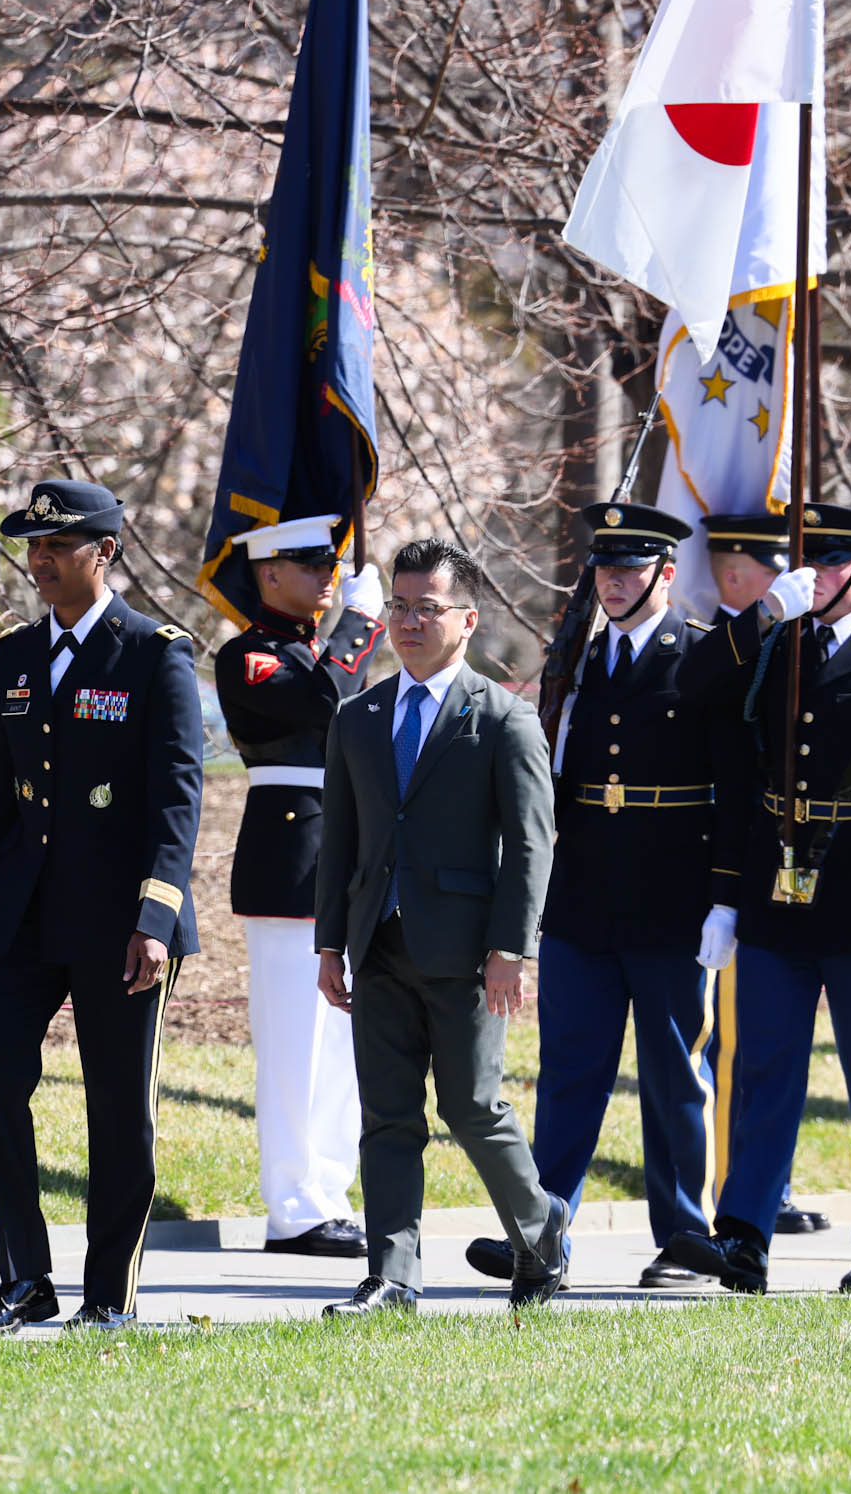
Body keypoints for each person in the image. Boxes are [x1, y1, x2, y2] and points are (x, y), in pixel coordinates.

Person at [0, 479, 205, 1336]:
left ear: (107, 554)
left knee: (117, 1110)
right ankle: (26, 1278)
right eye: (33, 547)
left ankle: (107, 1294)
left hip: (121, 925)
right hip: (21, 915)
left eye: (59, 546)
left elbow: (177, 799)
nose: (41, 560)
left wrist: (155, 920)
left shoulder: (153, 653)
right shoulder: (16, 655)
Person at [667, 504, 851, 1296]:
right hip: (773, 885)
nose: (811, 578)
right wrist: (724, 900)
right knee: (761, 1069)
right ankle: (745, 1235)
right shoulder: (772, 642)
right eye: (806, 564)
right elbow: (696, 694)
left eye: (829, 566)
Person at [460, 502, 729, 1292]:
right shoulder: (573, 656)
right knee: (570, 1072)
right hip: (581, 894)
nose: (615, 581)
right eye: (605, 568)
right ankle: (542, 1238)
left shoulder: (704, 657)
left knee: (675, 1074)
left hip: (673, 896)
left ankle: (684, 1234)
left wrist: (727, 899)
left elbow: (737, 789)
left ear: (667, 576)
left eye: (633, 568)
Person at [314, 538, 569, 1316]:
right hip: (378, 944)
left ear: (468, 618)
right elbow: (343, 840)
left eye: (429, 607)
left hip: (466, 952)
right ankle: (392, 1276)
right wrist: (330, 942)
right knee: (387, 1115)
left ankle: (540, 1228)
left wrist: (511, 950)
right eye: (401, 606)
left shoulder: (503, 719)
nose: (412, 621)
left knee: (472, 1107)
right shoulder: (357, 717)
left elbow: (532, 843)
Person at [209, 516, 384, 1259]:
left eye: (330, 566)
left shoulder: (316, 651)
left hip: (348, 860)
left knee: (342, 1045)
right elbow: (324, 700)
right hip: (291, 865)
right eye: (310, 566)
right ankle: (291, 1204)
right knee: (292, 1044)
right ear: (268, 573)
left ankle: (329, 1193)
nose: (327, 578)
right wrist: (361, 626)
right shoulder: (248, 657)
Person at [701, 510, 832, 1241]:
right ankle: (731, 1191)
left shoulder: (794, 637)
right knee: (726, 1045)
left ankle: (759, 1189)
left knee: (762, 1047)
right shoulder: (724, 640)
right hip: (718, 866)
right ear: (734, 575)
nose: (795, 583)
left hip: (780, 863)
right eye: (777, 571)